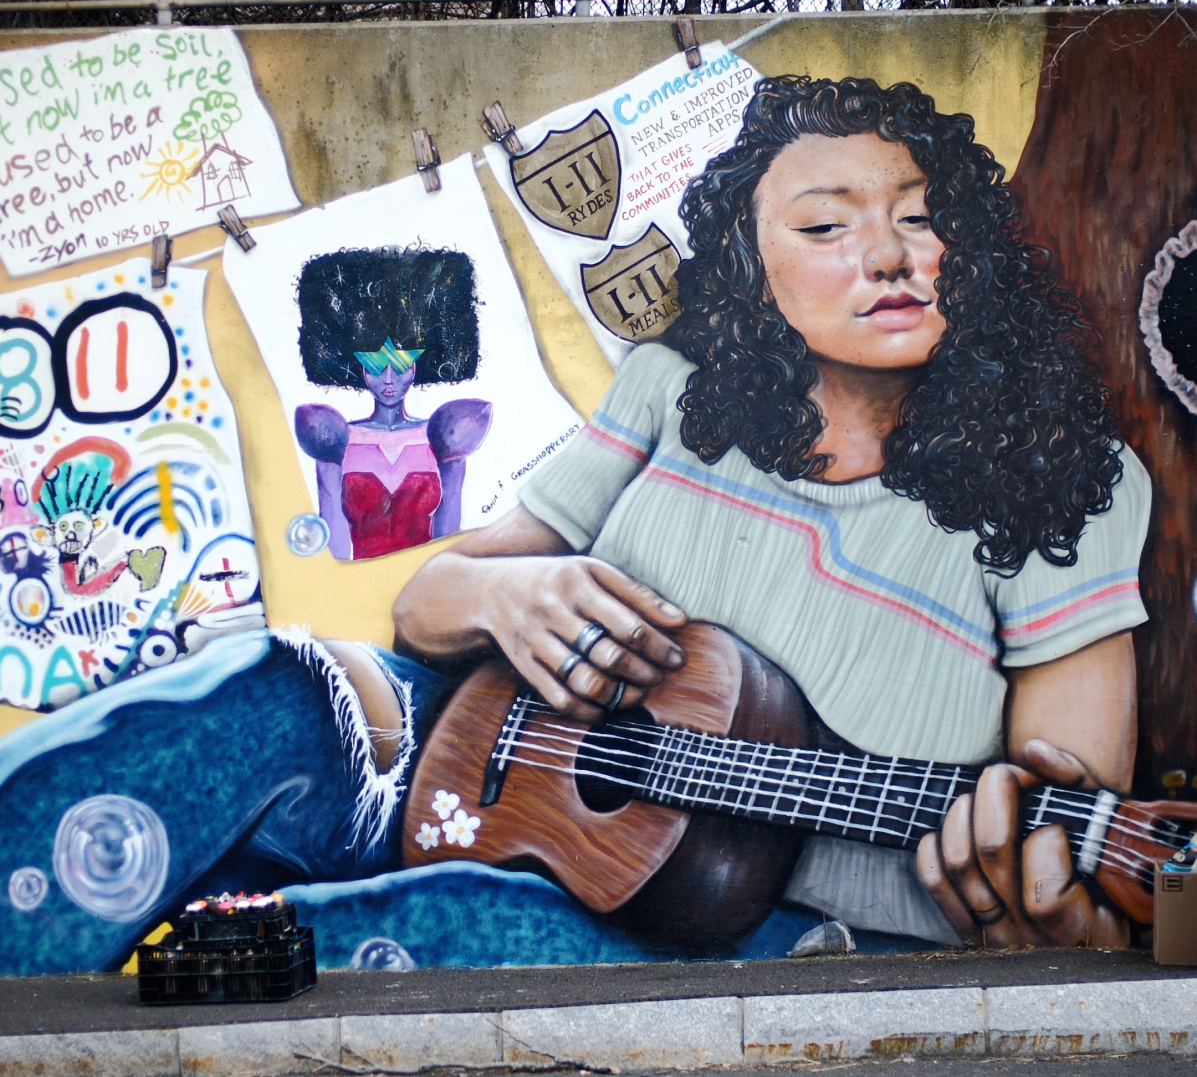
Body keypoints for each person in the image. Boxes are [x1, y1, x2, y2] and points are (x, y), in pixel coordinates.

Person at [393, 75, 1150, 948]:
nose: (888, 257)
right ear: (751, 268)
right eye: (826, 226)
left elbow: (1069, 842)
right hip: (541, 843)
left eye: (918, 217)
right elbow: (426, 601)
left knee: (366, 931)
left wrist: (1054, 919)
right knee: (277, 684)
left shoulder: (1068, 479)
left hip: (815, 948)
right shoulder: (666, 393)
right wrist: (507, 597)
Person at [294, 248, 492, 560]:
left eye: (399, 367)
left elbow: (449, 532)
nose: (388, 380)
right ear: (361, 369)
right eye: (375, 367)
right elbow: (334, 537)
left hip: (426, 582)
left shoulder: (444, 434)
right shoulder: (335, 438)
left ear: (414, 368)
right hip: (359, 585)